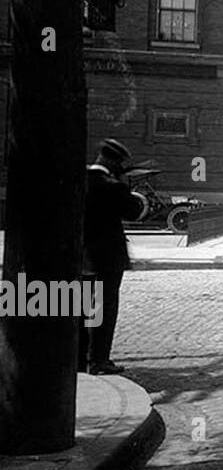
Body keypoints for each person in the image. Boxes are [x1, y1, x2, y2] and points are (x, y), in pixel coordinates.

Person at [81, 139, 147, 375]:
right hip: (106, 260)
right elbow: (134, 211)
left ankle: (79, 359)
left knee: (81, 308)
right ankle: (98, 361)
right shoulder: (113, 186)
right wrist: (124, 185)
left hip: (80, 257)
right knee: (104, 310)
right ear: (114, 162)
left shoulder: (80, 180)